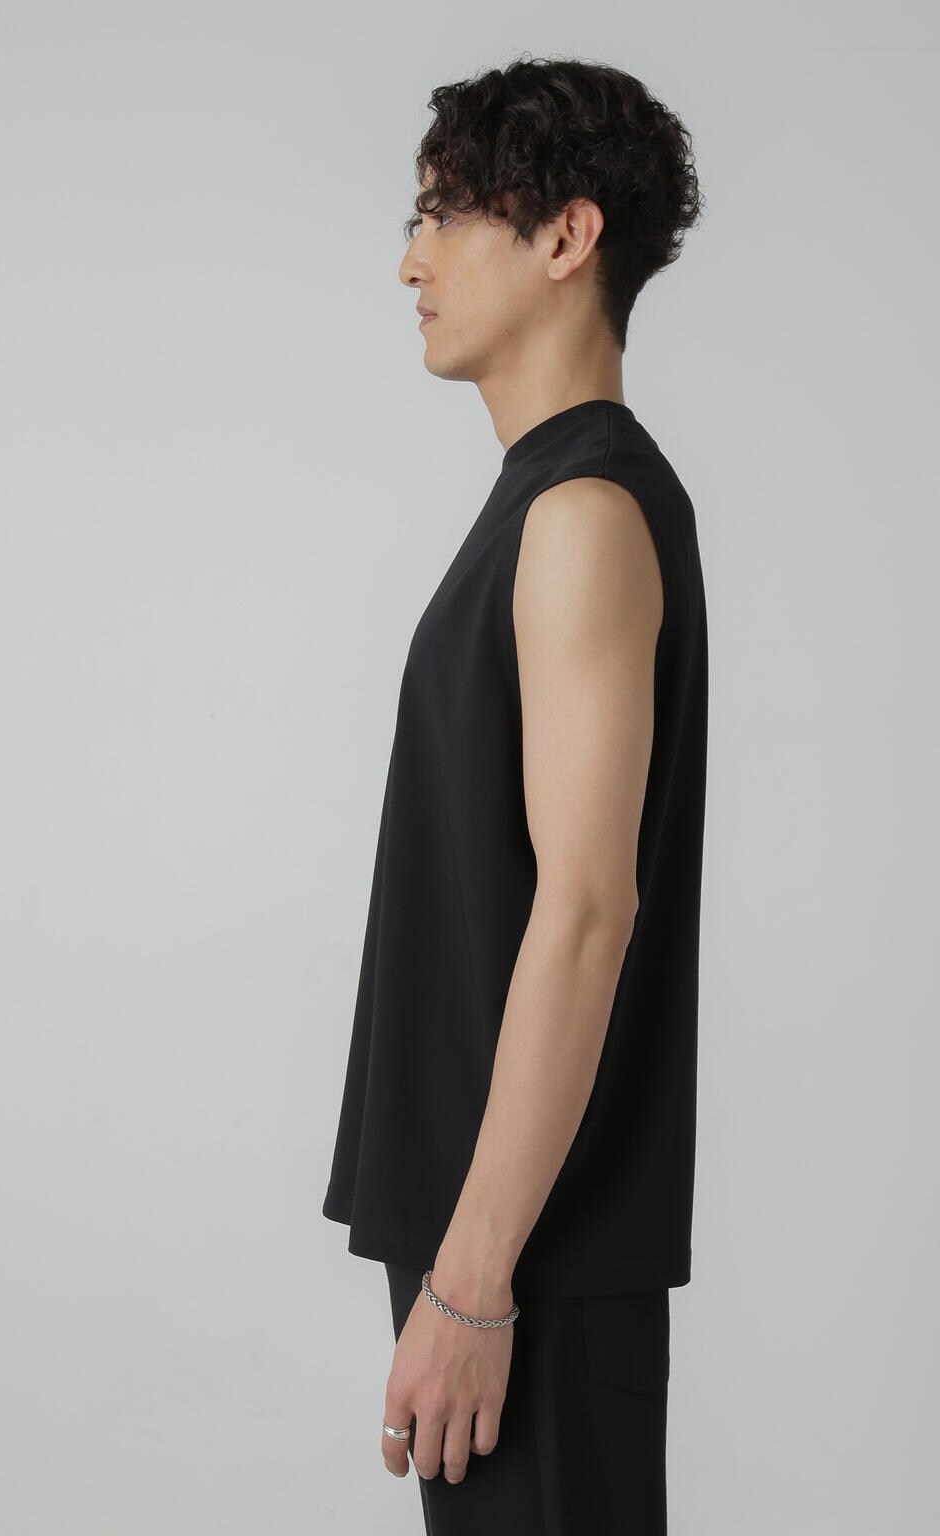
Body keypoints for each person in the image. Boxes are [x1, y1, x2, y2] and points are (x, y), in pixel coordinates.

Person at [321, 54, 709, 1535]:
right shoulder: (546, 501)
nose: (410, 261)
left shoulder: (583, 512)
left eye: (442, 214)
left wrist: (477, 1277)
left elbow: (589, 908)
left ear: (566, 236)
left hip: (530, 1246)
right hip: (501, 1223)